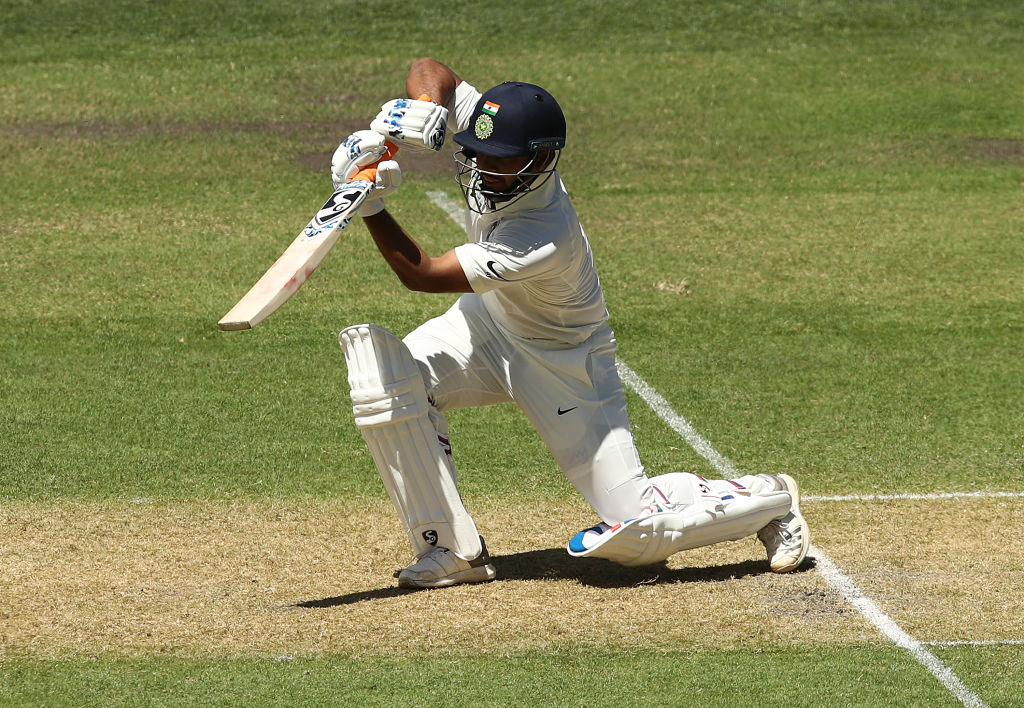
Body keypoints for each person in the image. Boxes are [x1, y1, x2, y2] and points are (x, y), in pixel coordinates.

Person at [331, 58, 809, 589]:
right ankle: (451, 552)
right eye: (478, 154)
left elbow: (421, 274)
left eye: (501, 162)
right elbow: (430, 68)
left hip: (563, 362)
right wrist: (424, 110)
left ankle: (767, 499)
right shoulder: (496, 134)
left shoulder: (542, 233)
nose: (484, 169)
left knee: (638, 538)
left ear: (540, 160)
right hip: (486, 325)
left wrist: (369, 206)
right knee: (387, 380)